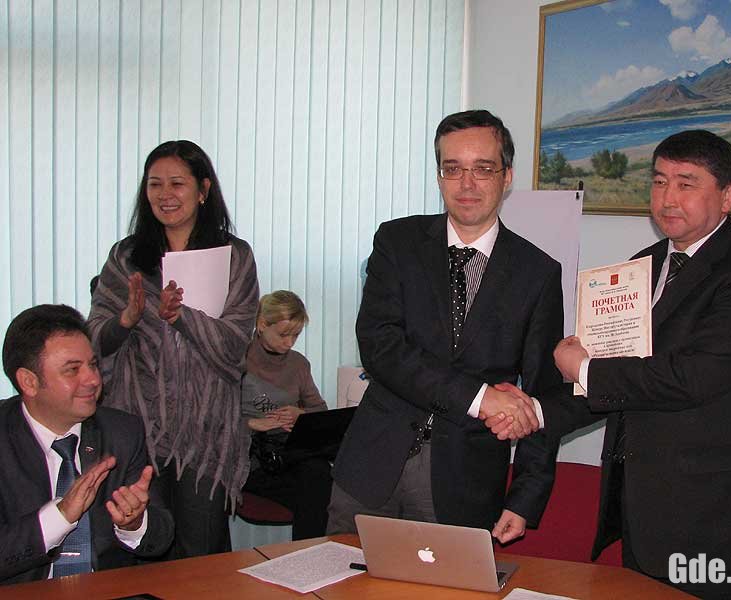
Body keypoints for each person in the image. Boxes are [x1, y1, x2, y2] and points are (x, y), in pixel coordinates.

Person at [489, 129, 731, 598]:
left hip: (724, 523)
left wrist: (583, 369)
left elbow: (693, 377)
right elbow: (619, 382)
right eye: (658, 181)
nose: (668, 198)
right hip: (644, 519)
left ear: (727, 195)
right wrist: (536, 410)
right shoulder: (641, 267)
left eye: (686, 184)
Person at [327, 109, 564, 542]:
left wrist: (525, 496)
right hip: (370, 470)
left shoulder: (538, 273)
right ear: (439, 177)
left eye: (483, 169)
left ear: (507, 177)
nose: (466, 184)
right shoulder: (397, 243)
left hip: (464, 485)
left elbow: (542, 394)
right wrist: (480, 398)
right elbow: (380, 348)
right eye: (452, 169)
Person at [87, 140, 259, 558]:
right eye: (155, 184)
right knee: (140, 548)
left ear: (203, 190)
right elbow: (93, 338)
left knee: (200, 556)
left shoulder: (233, 256)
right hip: (137, 427)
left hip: (207, 433)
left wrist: (182, 317)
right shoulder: (126, 256)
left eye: (177, 183)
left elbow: (236, 345)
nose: (165, 194)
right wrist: (125, 321)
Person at [0, 304, 174, 585]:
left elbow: (162, 539)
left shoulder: (122, 432)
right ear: (29, 382)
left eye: (92, 365)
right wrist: (59, 518)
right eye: (72, 370)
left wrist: (134, 524)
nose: (93, 380)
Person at [241, 290, 332, 540]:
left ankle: (309, 553)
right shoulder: (237, 359)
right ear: (262, 324)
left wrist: (300, 413)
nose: (290, 343)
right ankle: (309, 554)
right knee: (314, 492)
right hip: (250, 458)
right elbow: (214, 417)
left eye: (296, 335)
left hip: (289, 453)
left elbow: (320, 412)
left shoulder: (298, 364)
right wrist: (252, 423)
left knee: (320, 475)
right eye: (284, 334)